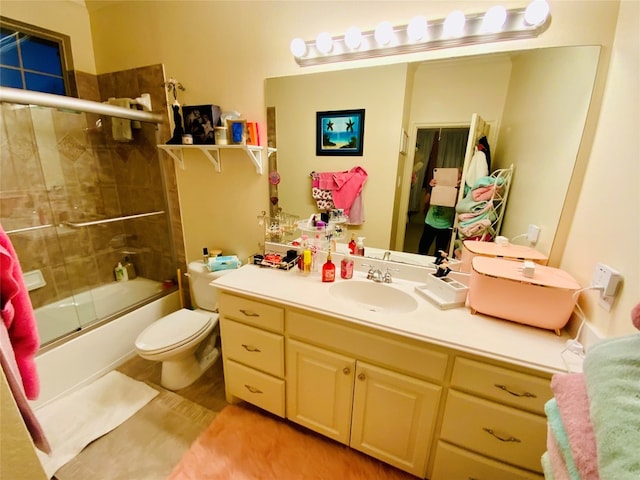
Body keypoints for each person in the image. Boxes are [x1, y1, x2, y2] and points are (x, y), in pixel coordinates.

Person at [418, 171, 459, 256]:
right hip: (430, 222)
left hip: (445, 226)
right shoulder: (436, 186)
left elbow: (458, 206)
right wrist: (431, 188)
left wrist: (457, 190)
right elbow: (425, 201)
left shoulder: (459, 190)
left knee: (440, 253)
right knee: (422, 249)